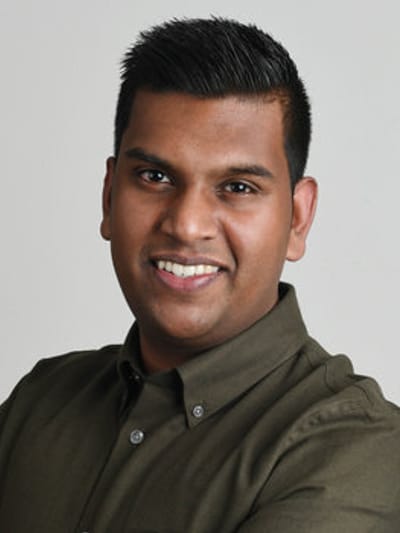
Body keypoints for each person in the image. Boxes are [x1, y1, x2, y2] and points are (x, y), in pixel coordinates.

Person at [0, 17, 399, 533]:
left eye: (238, 187)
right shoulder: (40, 401)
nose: (187, 225)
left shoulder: (355, 448)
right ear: (109, 196)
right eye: (155, 176)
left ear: (298, 219)